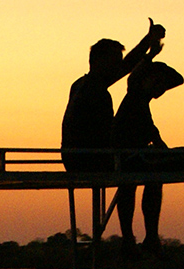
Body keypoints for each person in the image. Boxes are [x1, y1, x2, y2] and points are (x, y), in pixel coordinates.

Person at [112, 58, 184, 256]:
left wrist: (166, 154)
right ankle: (136, 238)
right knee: (137, 182)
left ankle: (147, 237)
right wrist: (151, 52)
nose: (160, 88)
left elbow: (157, 141)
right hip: (128, 160)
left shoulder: (143, 106)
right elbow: (134, 78)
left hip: (139, 160)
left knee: (156, 176)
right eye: (157, 82)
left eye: (164, 85)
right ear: (146, 80)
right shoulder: (134, 96)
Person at [60, 19, 164, 173]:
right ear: (99, 61)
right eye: (114, 63)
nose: (117, 67)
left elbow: (126, 66)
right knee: (155, 166)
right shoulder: (97, 93)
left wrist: (148, 46)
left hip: (74, 159)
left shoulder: (81, 84)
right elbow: (110, 136)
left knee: (142, 160)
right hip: (91, 160)